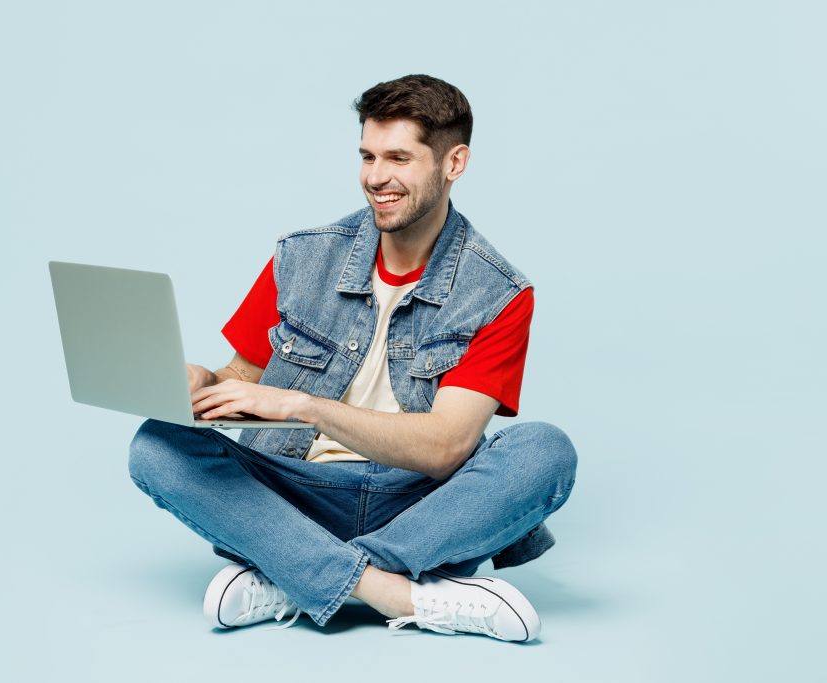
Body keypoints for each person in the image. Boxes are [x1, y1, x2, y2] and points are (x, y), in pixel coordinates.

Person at [128, 74, 577, 641]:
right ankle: (395, 592)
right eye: (366, 155)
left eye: (398, 158)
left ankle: (293, 575)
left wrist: (305, 406)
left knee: (546, 451)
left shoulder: (498, 292)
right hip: (294, 493)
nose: (375, 177)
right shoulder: (302, 256)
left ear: (453, 162)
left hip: (420, 506)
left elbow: (445, 448)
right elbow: (242, 376)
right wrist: (200, 381)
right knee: (155, 445)